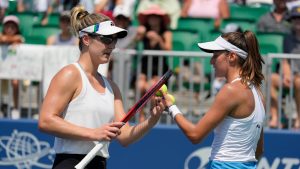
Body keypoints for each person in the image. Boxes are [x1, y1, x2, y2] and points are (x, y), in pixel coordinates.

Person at [38, 5, 166, 169]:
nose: (112, 45)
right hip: (70, 163)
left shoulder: (112, 87)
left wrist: (152, 120)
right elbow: (46, 121)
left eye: (114, 39)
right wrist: (92, 133)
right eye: (106, 39)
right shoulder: (69, 74)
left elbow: (125, 136)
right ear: (86, 39)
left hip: (99, 164)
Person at [162, 31, 265, 168]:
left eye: (215, 56)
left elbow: (195, 135)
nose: (211, 61)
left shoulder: (230, 91)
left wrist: (170, 107)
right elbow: (259, 149)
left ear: (232, 57)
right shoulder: (258, 93)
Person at [136, 4, 172, 122]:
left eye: (156, 16)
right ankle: (139, 115)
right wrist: (138, 35)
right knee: (140, 86)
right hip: (146, 66)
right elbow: (133, 43)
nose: (153, 19)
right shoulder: (144, 30)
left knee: (151, 87)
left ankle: (151, 116)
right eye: (150, 16)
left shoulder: (166, 32)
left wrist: (159, 39)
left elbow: (168, 49)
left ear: (160, 19)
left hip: (160, 67)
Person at [269, 5, 300, 129]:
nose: (298, 21)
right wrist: (287, 75)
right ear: (291, 21)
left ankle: (299, 118)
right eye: (295, 18)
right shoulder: (287, 39)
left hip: (298, 79)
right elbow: (285, 60)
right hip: (292, 77)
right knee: (271, 78)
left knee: (299, 82)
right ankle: (276, 118)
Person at [0, 15, 24, 119]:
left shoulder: (20, 38)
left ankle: (15, 108)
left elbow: (19, 39)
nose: (10, 29)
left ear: (17, 28)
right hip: (2, 69)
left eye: (12, 27)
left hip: (16, 70)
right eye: (7, 26)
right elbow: (2, 39)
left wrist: (8, 39)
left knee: (15, 82)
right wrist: (11, 40)